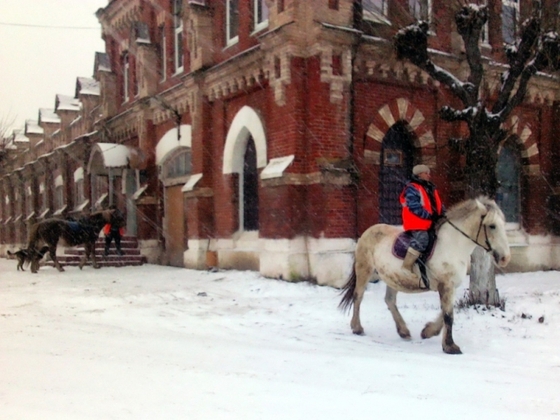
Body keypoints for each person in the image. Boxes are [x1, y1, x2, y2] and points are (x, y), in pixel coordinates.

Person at [399, 164, 445, 280]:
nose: (429, 175)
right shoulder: (412, 188)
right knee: (422, 239)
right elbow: (414, 206)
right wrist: (429, 216)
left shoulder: (430, 188)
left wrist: (443, 214)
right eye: (426, 173)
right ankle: (406, 266)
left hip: (430, 222)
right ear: (419, 174)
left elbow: (438, 204)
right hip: (417, 222)